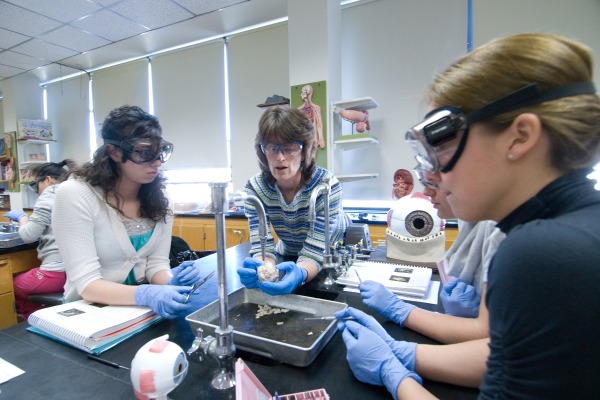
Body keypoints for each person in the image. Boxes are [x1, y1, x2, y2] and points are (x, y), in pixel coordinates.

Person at [337, 33, 600, 399]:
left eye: (444, 143)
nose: (435, 173)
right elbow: (506, 357)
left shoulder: (540, 253)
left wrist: (396, 378)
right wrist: (403, 352)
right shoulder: (575, 228)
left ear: (520, 136)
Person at [52, 105, 206, 319]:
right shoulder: (75, 194)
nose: (158, 162)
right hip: (88, 315)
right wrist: (145, 293)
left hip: (140, 314)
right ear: (114, 152)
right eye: (144, 152)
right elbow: (88, 285)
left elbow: (156, 264)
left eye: (160, 151)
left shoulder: (162, 200)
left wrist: (169, 280)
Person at [358, 166, 504, 345]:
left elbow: (489, 336)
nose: (426, 192)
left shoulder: (500, 228)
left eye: (433, 183)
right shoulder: (469, 218)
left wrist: (401, 312)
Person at [238, 106, 350, 295]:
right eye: (272, 147)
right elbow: (261, 244)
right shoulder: (255, 189)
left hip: (334, 249)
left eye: (290, 148)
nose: (280, 157)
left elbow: (316, 250)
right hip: (290, 249)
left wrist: (301, 273)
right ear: (262, 151)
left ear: (305, 150)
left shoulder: (326, 186)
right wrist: (261, 267)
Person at [5, 160, 76, 319]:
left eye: (36, 183)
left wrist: (23, 218)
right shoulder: (75, 193)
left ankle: (34, 319)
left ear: (48, 180)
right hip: (77, 271)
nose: (36, 189)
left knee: (12, 284)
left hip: (57, 273)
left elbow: (28, 236)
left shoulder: (50, 194)